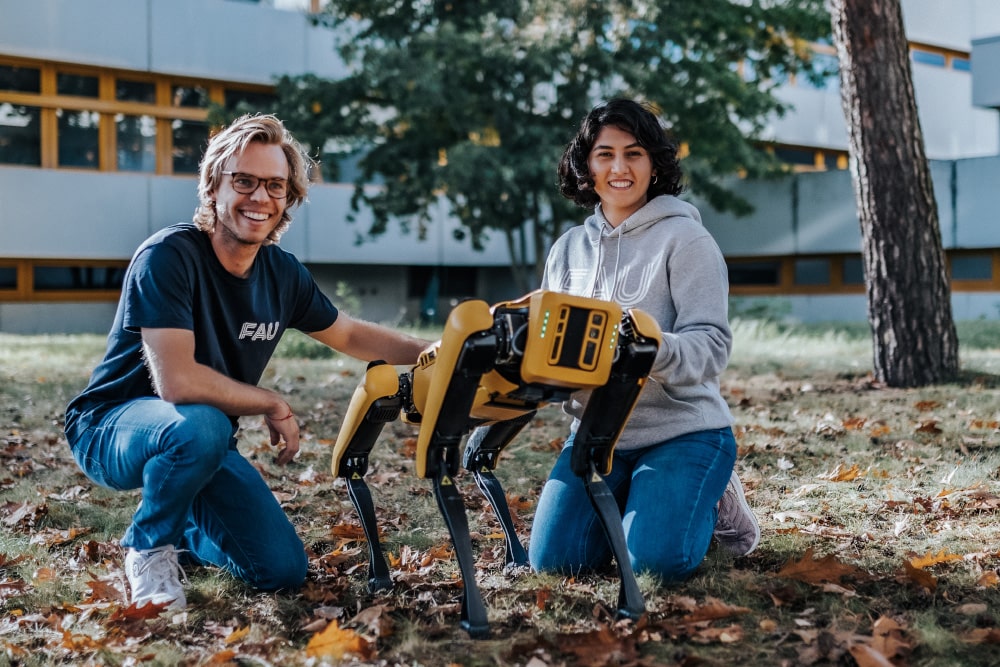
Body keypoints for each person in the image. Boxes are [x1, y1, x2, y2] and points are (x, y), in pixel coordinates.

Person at [64, 114, 430, 610]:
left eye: (274, 186)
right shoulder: (168, 256)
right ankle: (148, 547)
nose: (259, 197)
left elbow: (349, 333)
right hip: (113, 426)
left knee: (279, 569)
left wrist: (438, 351)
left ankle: (186, 533)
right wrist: (270, 402)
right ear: (213, 186)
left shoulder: (280, 273)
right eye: (244, 181)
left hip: (198, 440)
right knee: (203, 425)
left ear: (288, 199)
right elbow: (176, 382)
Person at [527, 99, 760, 582]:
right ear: (585, 165)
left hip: (683, 430)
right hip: (596, 434)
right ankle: (645, 501)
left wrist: (652, 349)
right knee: (554, 562)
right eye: (605, 154)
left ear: (654, 163)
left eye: (634, 154)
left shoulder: (686, 239)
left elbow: (712, 344)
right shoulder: (568, 249)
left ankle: (710, 503)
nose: (619, 168)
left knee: (654, 564)